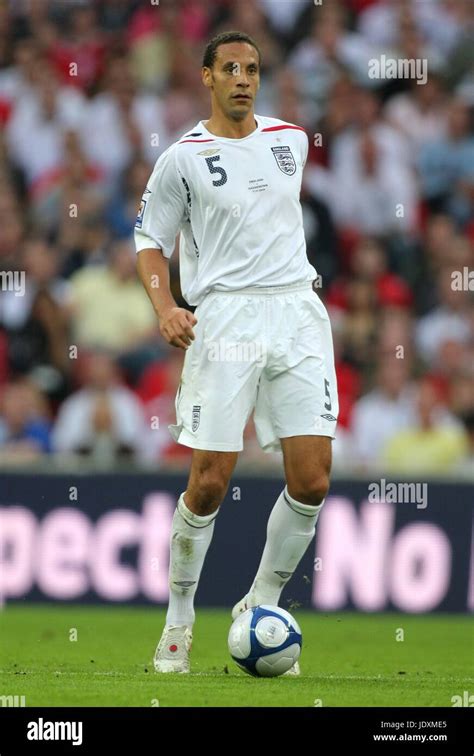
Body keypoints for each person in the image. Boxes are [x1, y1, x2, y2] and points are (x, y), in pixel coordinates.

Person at [135, 31, 339, 675]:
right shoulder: (182, 158)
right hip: (224, 317)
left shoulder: (291, 141)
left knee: (312, 480)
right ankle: (178, 619)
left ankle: (260, 605)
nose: (243, 78)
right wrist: (165, 306)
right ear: (206, 77)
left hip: (298, 312)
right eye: (230, 68)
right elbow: (149, 240)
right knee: (210, 479)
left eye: (252, 69)